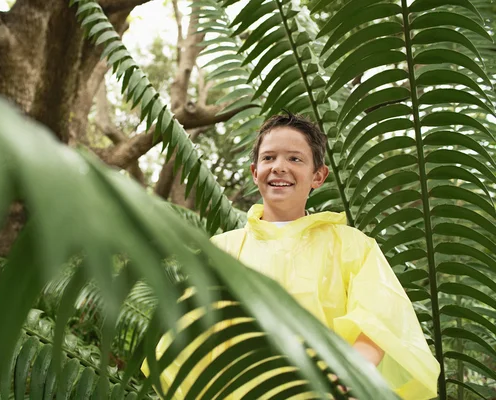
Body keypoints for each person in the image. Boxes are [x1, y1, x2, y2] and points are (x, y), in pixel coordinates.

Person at [144, 112, 440, 399]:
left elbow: (380, 322)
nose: (279, 167)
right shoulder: (221, 250)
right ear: (255, 172)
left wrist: (350, 378)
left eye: (295, 158)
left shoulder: (352, 246)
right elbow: (189, 335)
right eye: (269, 158)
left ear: (318, 176)